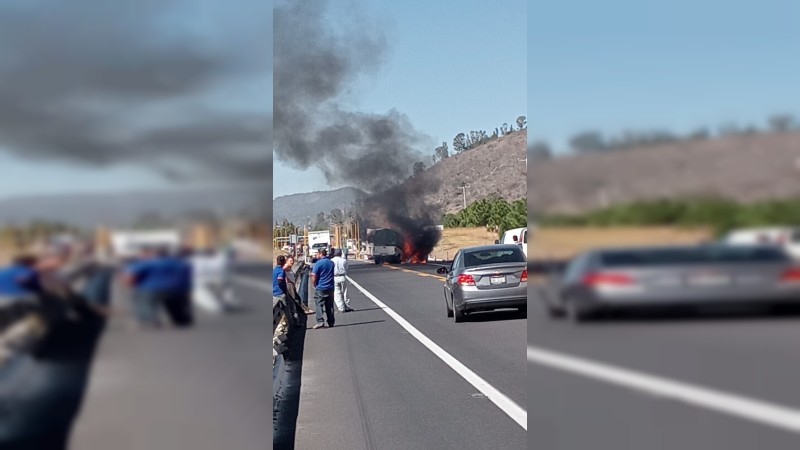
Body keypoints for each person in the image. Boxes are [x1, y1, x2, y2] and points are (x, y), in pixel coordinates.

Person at [125, 246, 193, 329]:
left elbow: (130, 277)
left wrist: (133, 286)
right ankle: (181, 320)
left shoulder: (148, 263)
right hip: (178, 290)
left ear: (154, 254)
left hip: (152, 289)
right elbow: (188, 277)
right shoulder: (181, 263)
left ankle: (148, 321)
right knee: (175, 304)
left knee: (142, 300)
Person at [311, 248, 335, 329]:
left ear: (321, 254)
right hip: (330, 286)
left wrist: (314, 284)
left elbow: (314, 276)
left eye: (317, 254)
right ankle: (331, 321)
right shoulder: (331, 263)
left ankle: (320, 321)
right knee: (330, 305)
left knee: (319, 304)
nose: (317, 255)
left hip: (321, 287)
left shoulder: (318, 264)